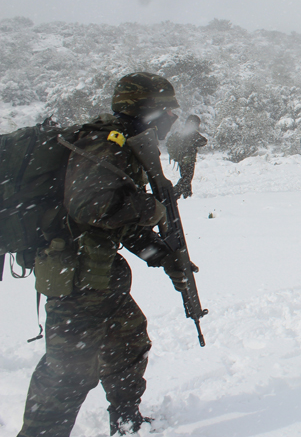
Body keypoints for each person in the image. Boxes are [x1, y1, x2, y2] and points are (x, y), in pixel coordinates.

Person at [18, 72, 189, 436]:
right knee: (68, 373)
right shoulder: (106, 144)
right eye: (169, 112)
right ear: (150, 110)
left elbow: (117, 224)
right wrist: (152, 209)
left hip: (100, 274)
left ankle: (127, 421)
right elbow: (91, 207)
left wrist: (162, 254)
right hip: (76, 279)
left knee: (130, 343)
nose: (173, 120)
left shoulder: (125, 144)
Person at [167, 114, 208, 198]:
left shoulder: (182, 132)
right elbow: (203, 141)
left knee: (185, 177)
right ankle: (175, 192)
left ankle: (187, 194)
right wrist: (194, 143)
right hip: (188, 159)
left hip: (181, 159)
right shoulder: (193, 133)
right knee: (187, 178)